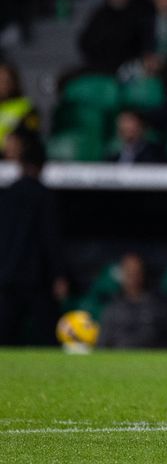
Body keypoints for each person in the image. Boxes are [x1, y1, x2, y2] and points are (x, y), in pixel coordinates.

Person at [0, 132, 67, 345]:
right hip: (37, 278)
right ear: (41, 166)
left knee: (6, 335)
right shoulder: (44, 196)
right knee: (47, 334)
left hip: (7, 275)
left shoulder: (7, 195)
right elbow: (50, 238)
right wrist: (59, 275)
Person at [98, 253, 167, 348]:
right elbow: (103, 343)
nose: (132, 277)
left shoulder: (159, 306)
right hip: (120, 357)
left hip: (152, 358)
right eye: (129, 273)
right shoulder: (112, 308)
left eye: (136, 272)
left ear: (143, 274)